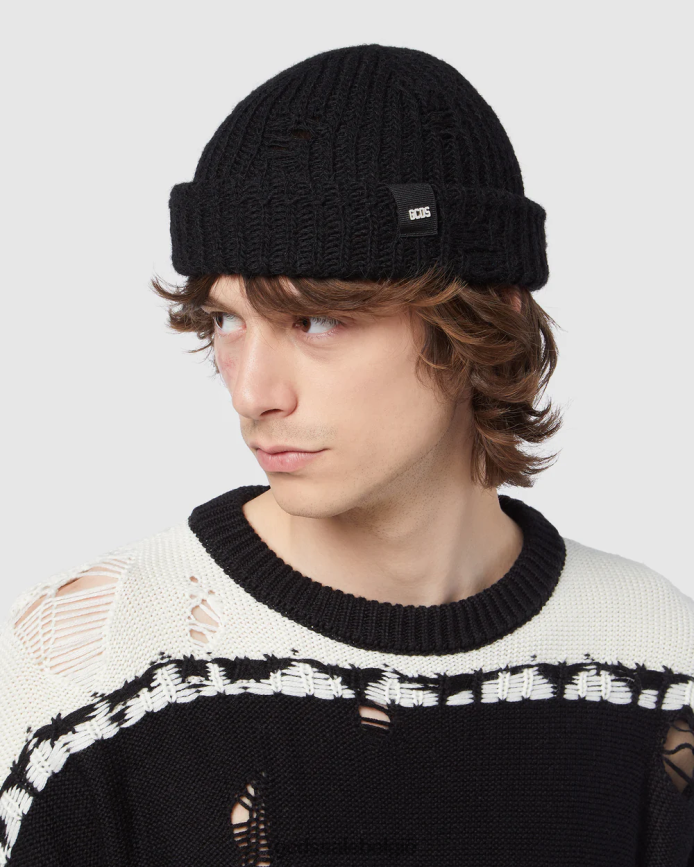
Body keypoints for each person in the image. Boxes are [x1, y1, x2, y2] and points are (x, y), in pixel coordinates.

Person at [1, 42, 693, 867]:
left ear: (487, 314)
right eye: (226, 319)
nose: (252, 390)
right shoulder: (88, 677)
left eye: (317, 320)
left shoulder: (660, 663)